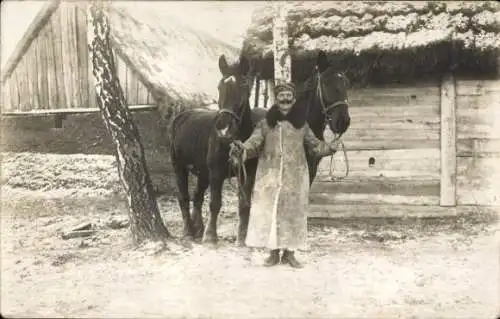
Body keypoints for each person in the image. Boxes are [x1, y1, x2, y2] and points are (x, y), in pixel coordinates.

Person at [229, 81, 341, 268]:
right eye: (282, 96)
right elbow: (253, 144)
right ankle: (273, 254)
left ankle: (290, 254)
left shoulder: (302, 125)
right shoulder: (265, 124)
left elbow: (315, 146)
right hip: (270, 178)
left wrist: (329, 148)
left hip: (295, 179)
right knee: (271, 215)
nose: (285, 99)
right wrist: (242, 150)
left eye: (289, 96)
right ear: (276, 99)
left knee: (292, 215)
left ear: (294, 99)